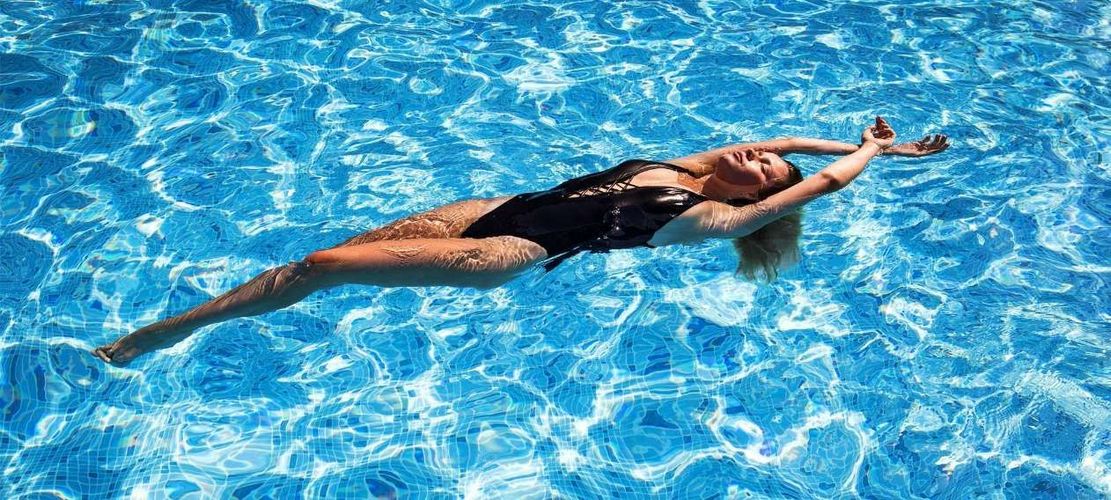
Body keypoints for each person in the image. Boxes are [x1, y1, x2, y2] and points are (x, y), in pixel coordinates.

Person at [93, 117, 948, 365]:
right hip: (491, 207)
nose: (757, 153)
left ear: (761, 198)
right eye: (761, 153)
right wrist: (875, 141)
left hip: (506, 254)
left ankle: (163, 335)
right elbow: (798, 142)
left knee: (324, 268)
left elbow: (821, 180)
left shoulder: (716, 215)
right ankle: (200, 315)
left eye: (765, 166)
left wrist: (869, 156)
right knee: (311, 263)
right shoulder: (683, 166)